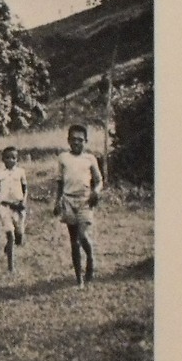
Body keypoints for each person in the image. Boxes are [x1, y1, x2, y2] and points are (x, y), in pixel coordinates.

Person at [54, 123, 103, 287]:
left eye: (80, 140)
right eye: (73, 139)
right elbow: (60, 181)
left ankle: (90, 257)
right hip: (68, 201)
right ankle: (79, 278)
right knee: (73, 241)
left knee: (82, 236)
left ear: (86, 141)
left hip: (85, 201)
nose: (76, 143)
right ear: (68, 141)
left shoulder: (90, 159)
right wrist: (57, 201)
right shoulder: (63, 158)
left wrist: (96, 191)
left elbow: (99, 180)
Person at [0, 145, 30, 273]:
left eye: (13, 158)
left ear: (17, 159)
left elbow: (25, 188)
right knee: (10, 235)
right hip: (5, 207)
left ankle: (10, 245)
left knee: (19, 237)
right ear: (3, 159)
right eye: (7, 158)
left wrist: (23, 201)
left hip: (19, 207)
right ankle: (11, 267)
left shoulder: (20, 172)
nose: (10, 160)